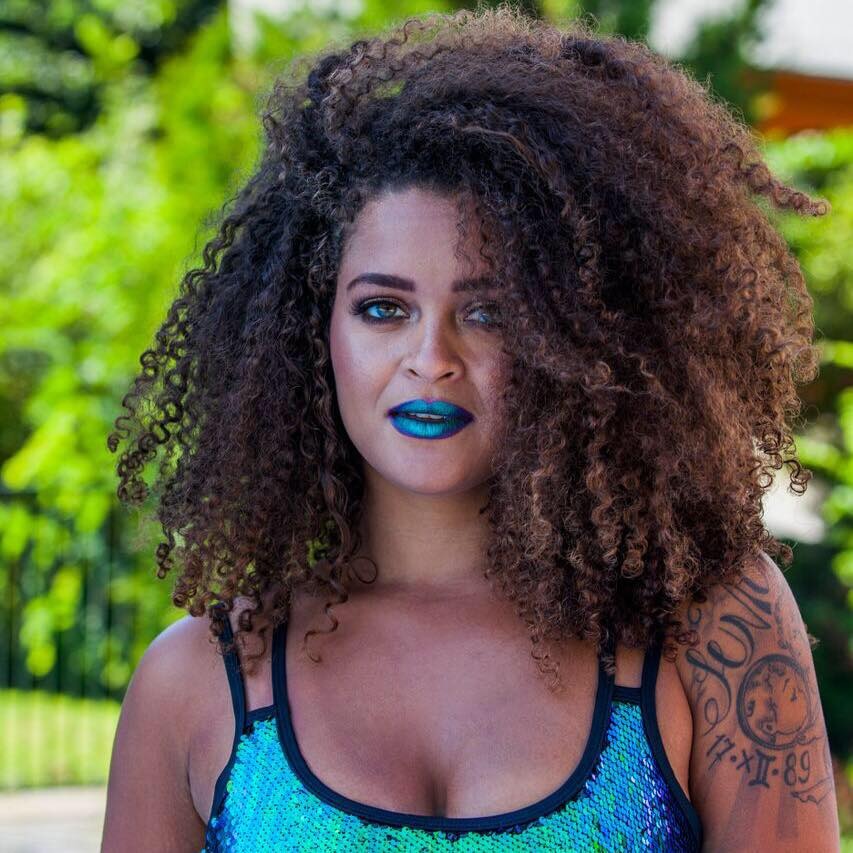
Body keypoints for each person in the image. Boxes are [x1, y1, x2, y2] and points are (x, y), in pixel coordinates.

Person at [100, 7, 841, 851]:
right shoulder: (195, 680)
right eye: (383, 309)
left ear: (575, 335)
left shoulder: (712, 627)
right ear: (309, 333)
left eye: (489, 313)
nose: (431, 359)